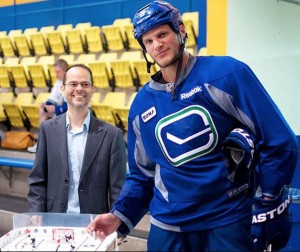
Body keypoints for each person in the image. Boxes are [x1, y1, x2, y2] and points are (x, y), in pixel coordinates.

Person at [87, 1, 298, 251]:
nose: (157, 45)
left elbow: (279, 141)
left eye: (162, 34)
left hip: (227, 220)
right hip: (168, 227)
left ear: (181, 30)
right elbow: (142, 175)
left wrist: (269, 201)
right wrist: (119, 215)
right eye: (149, 41)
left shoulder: (226, 75)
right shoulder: (142, 105)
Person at [28, 64, 127, 215]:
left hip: (94, 225)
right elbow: (37, 180)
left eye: (85, 84)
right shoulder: (47, 130)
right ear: (62, 89)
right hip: (53, 221)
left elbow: (117, 190)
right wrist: (36, 213)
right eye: (73, 84)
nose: (79, 88)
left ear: (92, 89)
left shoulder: (112, 135)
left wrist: (116, 226)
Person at [27, 59, 69, 153]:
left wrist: (56, 109)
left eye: (58, 71)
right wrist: (46, 106)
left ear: (65, 71)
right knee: (43, 111)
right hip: (61, 112)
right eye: (55, 72)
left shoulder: (72, 82)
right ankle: (40, 144)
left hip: (72, 113)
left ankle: (44, 145)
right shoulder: (58, 82)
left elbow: (73, 105)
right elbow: (52, 99)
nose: (56, 74)